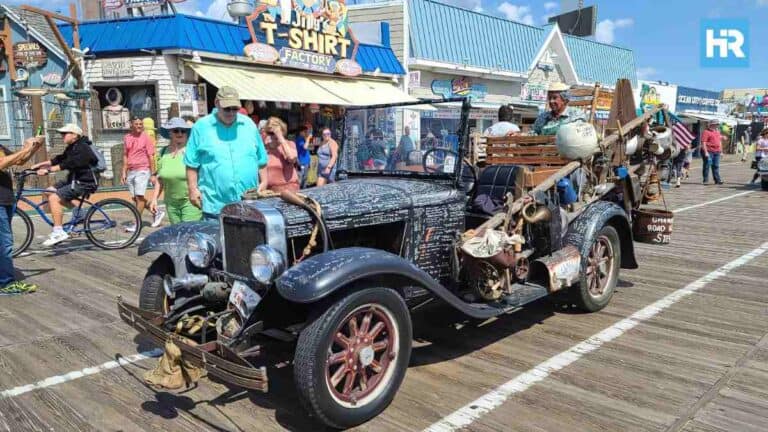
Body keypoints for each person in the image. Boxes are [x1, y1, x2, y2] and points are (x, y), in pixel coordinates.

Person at [184, 86, 268, 220]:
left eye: (235, 108)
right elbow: (191, 163)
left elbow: (261, 158)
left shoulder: (249, 124)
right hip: (216, 207)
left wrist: (264, 182)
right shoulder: (201, 127)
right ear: (217, 103)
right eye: (227, 108)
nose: (231, 112)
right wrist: (192, 189)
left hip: (250, 204)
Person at [31, 124, 99, 246]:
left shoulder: (82, 147)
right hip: (73, 179)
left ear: (75, 135)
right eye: (62, 134)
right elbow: (59, 159)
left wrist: (48, 170)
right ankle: (79, 213)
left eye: (65, 133)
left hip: (85, 182)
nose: (62, 136)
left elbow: (69, 163)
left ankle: (58, 232)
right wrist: (40, 165)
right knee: (49, 191)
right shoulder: (72, 147)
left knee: (54, 198)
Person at [0, 137, 42, 294]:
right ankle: (6, 283)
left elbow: (19, 161)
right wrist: (25, 149)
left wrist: (34, 148)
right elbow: (1, 163)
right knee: (4, 244)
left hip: (5, 200)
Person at [149, 118, 202, 225]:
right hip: (171, 204)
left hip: (191, 201)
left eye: (183, 131)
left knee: (189, 232)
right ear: (170, 133)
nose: (180, 133)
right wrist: (154, 199)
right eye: (176, 130)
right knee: (177, 233)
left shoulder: (193, 151)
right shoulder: (163, 152)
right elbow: (160, 179)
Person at [122, 117, 162, 231]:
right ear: (131, 125)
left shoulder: (146, 138)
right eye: (137, 124)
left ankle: (136, 223)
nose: (139, 126)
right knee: (136, 198)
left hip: (143, 169)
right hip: (131, 170)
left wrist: (153, 174)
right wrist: (123, 172)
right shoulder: (127, 137)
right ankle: (156, 212)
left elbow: (151, 156)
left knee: (139, 197)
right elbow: (125, 155)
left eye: (141, 124)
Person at [259, 117, 300, 193]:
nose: (274, 135)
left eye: (277, 132)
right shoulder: (263, 148)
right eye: (271, 133)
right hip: (272, 193)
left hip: (291, 190)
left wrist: (280, 137)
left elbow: (292, 158)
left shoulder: (290, 144)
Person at [701, 120, 724, 185]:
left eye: (717, 124)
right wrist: (706, 152)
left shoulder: (717, 132)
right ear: (711, 125)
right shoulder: (706, 132)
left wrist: (721, 151)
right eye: (715, 124)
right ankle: (705, 180)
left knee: (716, 166)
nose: (716, 126)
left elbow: (719, 142)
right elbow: (703, 142)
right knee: (707, 165)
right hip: (709, 151)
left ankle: (717, 180)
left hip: (717, 151)